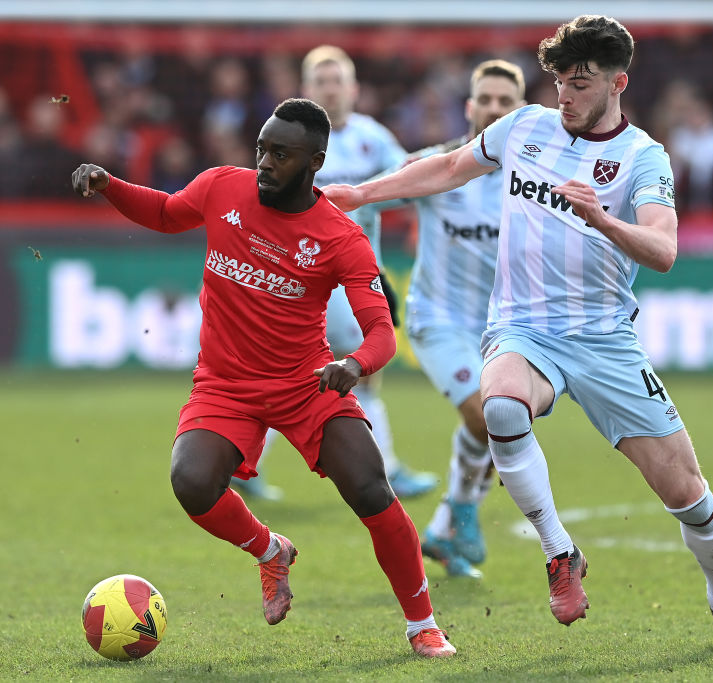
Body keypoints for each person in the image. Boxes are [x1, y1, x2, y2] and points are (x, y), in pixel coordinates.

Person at [323, 15, 713, 649]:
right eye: (560, 80)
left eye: (581, 84)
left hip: (605, 341)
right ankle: (559, 551)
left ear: (618, 83)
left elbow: (664, 248)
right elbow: (448, 168)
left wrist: (602, 219)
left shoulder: (641, 157)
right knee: (501, 407)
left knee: (688, 493)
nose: (564, 95)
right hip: (523, 327)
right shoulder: (526, 127)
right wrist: (362, 194)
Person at [70, 98, 456, 658]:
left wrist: (354, 365)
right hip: (225, 385)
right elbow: (164, 214)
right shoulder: (222, 186)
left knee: (372, 490)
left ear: (315, 162)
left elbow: (381, 333)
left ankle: (422, 624)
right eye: (262, 149)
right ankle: (270, 550)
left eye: (281, 154)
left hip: (307, 385)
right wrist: (110, 185)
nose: (266, 163)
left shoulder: (340, 237)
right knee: (192, 482)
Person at [230, 45, 435, 501]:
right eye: (321, 82)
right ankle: (386, 468)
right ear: (306, 90)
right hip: (298, 276)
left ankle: (245, 465)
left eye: (337, 80)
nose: (331, 89)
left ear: (354, 88)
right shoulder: (287, 138)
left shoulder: (374, 139)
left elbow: (410, 183)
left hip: (353, 273)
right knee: (320, 370)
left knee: (320, 372)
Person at [364, 60, 526, 578]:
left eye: (506, 101)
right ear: (470, 106)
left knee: (504, 427)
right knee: (483, 415)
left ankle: (440, 532)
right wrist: (370, 272)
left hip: (505, 328)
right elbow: (365, 201)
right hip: (438, 321)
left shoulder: (534, 174)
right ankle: (462, 509)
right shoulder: (438, 165)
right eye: (487, 99)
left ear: (520, 111)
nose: (495, 109)